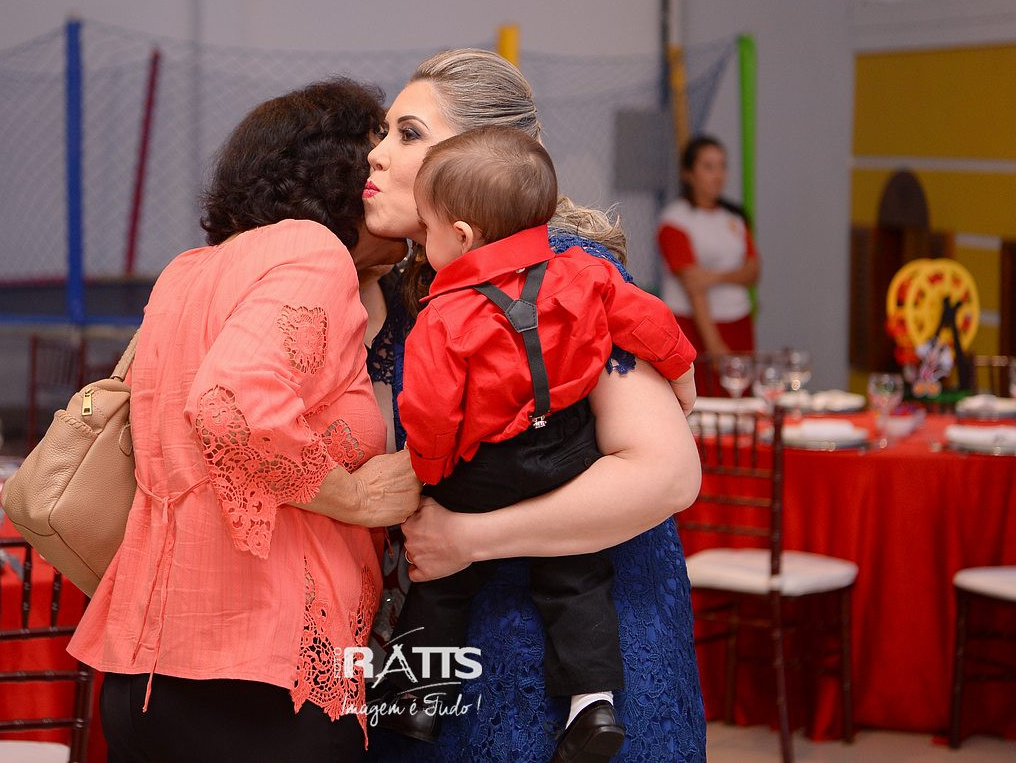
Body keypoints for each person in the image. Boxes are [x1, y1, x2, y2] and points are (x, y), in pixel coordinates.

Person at [361, 49, 706, 763]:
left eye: (409, 134)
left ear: (481, 159)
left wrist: (468, 538)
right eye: (383, 132)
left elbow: (667, 475)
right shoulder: (414, 284)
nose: (378, 153)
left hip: (578, 647)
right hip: (462, 644)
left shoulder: (561, 272)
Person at [68, 78, 422, 763]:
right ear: (344, 179)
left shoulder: (189, 271)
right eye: (378, 154)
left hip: (148, 673)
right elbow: (230, 406)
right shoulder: (314, 253)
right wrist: (353, 497)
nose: (387, 172)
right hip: (260, 681)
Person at [657, 135, 760, 356]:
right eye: (709, 167)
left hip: (738, 320)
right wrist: (713, 344)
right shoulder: (675, 220)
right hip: (694, 327)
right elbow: (693, 286)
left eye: (722, 166)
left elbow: (753, 271)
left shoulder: (734, 217)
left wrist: (713, 277)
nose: (718, 175)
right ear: (688, 173)